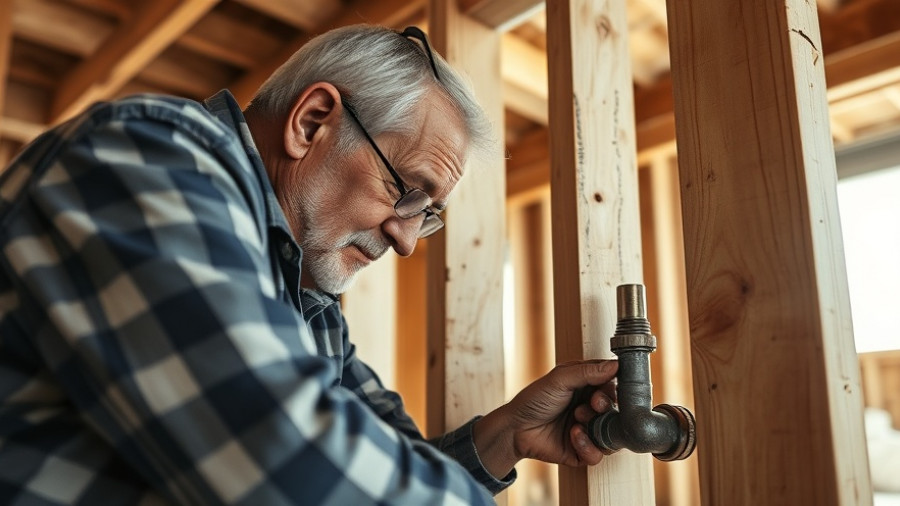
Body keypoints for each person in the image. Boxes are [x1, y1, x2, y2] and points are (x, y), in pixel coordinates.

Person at [0, 25, 618, 505]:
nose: (406, 242)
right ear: (312, 122)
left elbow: (376, 466)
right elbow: (284, 464)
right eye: (405, 192)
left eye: (427, 215)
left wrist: (504, 436)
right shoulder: (141, 160)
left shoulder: (306, 297)